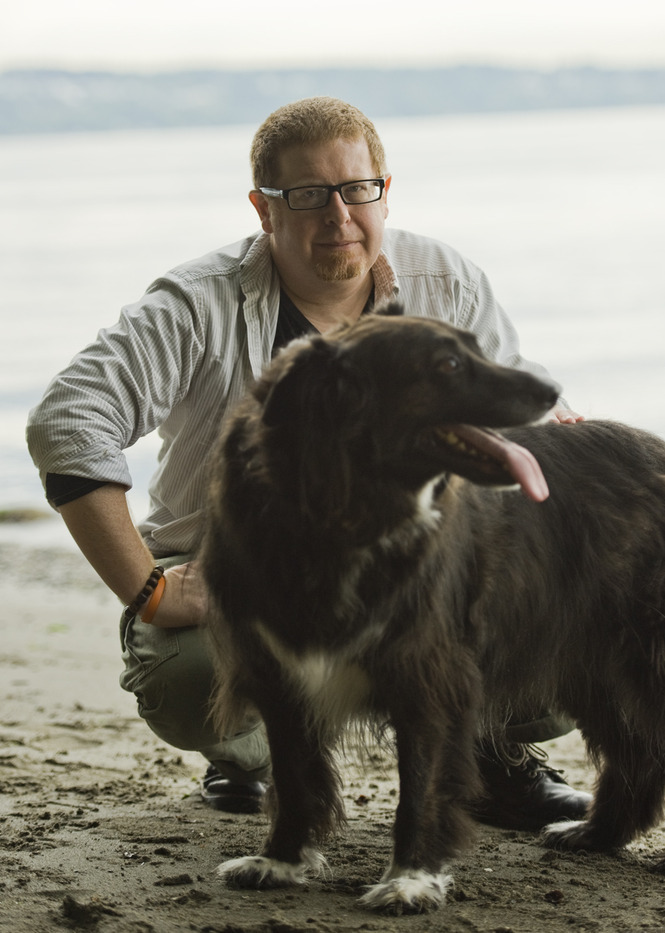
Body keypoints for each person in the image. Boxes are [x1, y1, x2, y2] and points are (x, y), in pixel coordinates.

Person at [27, 96, 591, 828]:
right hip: (251, 577)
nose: (338, 216)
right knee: (188, 679)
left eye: (357, 189)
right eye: (307, 195)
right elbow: (68, 418)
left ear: (384, 192)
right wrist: (150, 590)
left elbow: (508, 394)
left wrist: (559, 436)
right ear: (264, 209)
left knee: (570, 620)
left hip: (418, 572)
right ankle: (254, 758)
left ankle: (489, 754)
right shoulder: (195, 305)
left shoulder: (444, 283)